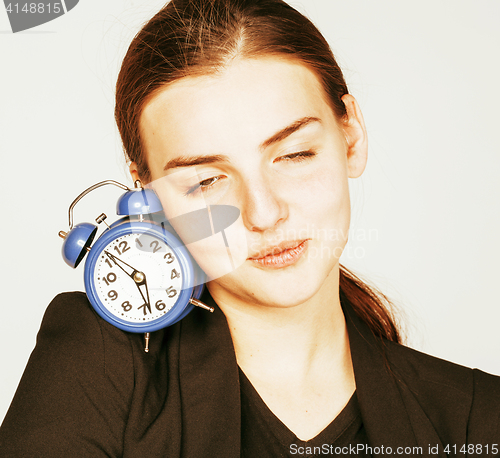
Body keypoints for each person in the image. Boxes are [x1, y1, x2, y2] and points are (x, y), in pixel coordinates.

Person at [0, 0, 499, 456]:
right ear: (147, 195)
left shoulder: (478, 418)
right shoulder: (101, 362)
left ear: (352, 136)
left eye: (294, 154)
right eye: (205, 181)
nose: (263, 214)